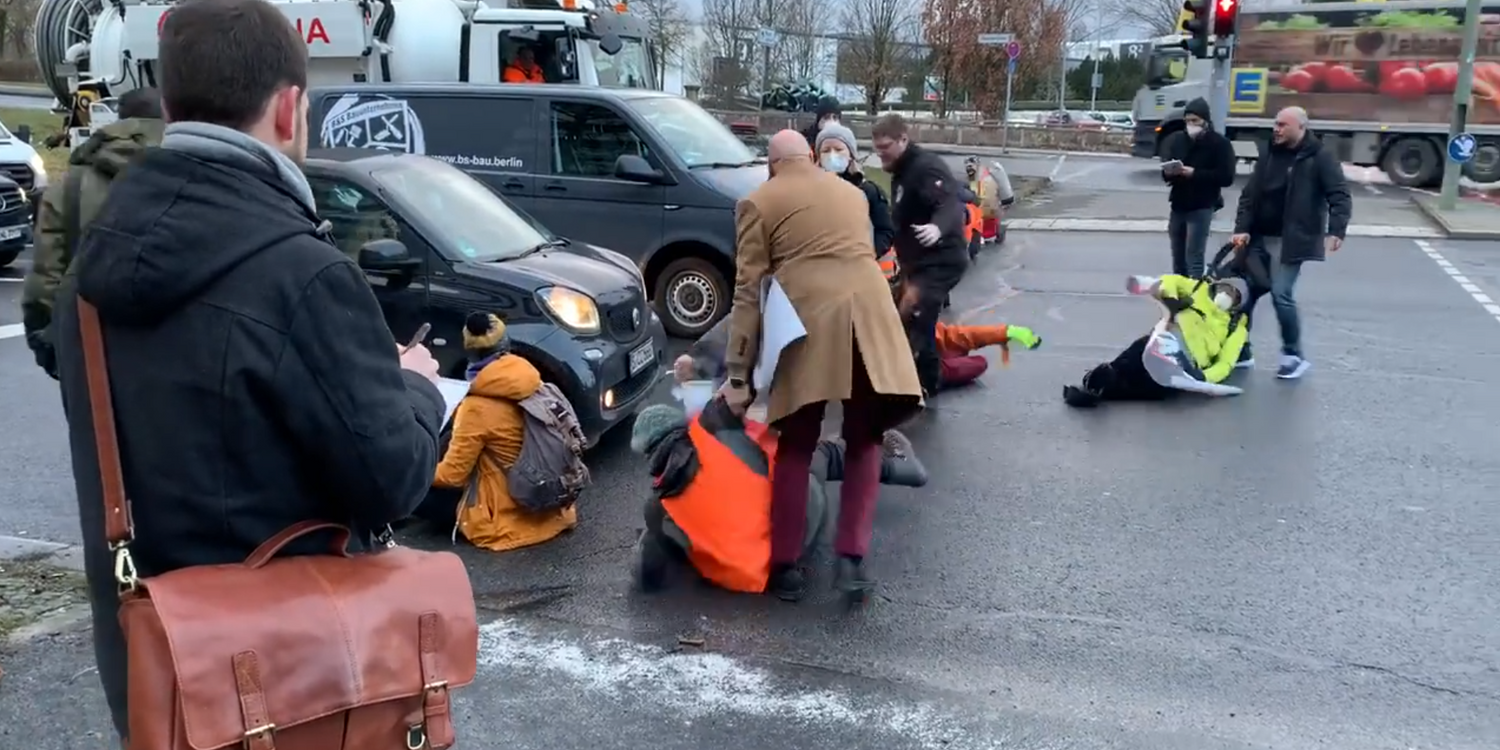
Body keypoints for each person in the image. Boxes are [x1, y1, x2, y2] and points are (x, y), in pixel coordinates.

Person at [49, 0, 446, 740]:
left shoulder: (87, 276)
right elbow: (391, 480)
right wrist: (414, 385)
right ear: (290, 109)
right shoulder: (304, 276)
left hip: (157, 678)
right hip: (292, 683)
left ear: (170, 104)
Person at [719, 129, 923, 604]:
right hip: (871, 318)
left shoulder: (757, 202)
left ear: (771, 165)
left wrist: (737, 375)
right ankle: (852, 558)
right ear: (811, 156)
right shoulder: (852, 194)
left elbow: (749, 291)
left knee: (797, 444)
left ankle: (786, 567)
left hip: (807, 322)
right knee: (864, 439)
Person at [628, 399, 929, 596]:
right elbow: (775, 450)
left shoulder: (660, 507)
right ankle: (898, 467)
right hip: (792, 543)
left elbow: (649, 571)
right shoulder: (713, 435)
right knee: (815, 457)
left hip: (743, 579)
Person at [21, 87, 165, 380]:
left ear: (119, 119)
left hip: (91, 356)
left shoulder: (70, 188)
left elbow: (44, 282)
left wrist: (52, 354)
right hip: (176, 360)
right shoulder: (196, 175)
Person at [429, 313, 578, 551]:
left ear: (469, 351)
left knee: (426, 492)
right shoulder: (535, 383)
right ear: (506, 346)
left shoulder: (476, 408)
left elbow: (452, 475)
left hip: (504, 520)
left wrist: (414, 473)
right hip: (553, 506)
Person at [1229, 106, 1351, 380]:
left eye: (1283, 125)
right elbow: (1249, 196)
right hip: (1259, 238)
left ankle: (1293, 355)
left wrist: (1337, 231)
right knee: (1242, 295)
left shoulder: (1319, 156)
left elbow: (1339, 195)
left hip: (1292, 240)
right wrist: (1241, 229)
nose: (1277, 129)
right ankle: (1240, 350)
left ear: (1301, 127)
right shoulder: (1269, 154)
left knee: (1280, 293)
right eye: (1275, 124)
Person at [872, 114, 969, 396]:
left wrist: (937, 228)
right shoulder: (901, 170)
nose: (880, 154)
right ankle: (921, 374)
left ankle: (925, 383)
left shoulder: (925, 168)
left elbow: (951, 203)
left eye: (886, 146)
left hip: (942, 260)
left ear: (903, 139)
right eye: (877, 148)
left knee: (914, 312)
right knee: (901, 313)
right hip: (917, 263)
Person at [1063, 274, 1250, 407]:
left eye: (1234, 296)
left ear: (1238, 305)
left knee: (1155, 386)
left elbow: (1226, 363)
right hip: (1167, 336)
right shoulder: (1198, 289)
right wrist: (1171, 298)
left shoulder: (1236, 328)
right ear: (1219, 286)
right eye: (1227, 289)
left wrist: (1204, 377)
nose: (1227, 296)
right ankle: (1100, 380)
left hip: (1188, 359)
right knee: (1135, 357)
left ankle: (1100, 389)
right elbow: (1169, 280)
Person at [1162, 97, 1237, 279]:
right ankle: (1180, 293)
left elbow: (1226, 177)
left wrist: (1195, 173)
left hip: (1202, 204)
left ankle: (1195, 296)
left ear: (1205, 121)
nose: (1191, 125)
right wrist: (1170, 172)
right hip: (1179, 203)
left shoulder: (1219, 143)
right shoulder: (1179, 140)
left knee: (1194, 255)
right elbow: (1166, 170)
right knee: (1178, 255)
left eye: (1195, 121)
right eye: (1187, 121)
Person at [815, 122, 894, 258]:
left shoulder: (869, 191)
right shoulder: (811, 192)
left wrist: (867, 254)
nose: (832, 155)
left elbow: (885, 231)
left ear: (851, 154)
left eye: (838, 150)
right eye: (826, 151)